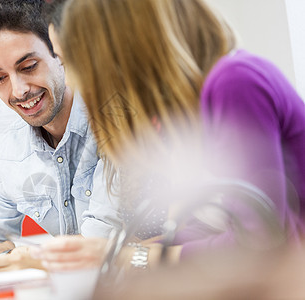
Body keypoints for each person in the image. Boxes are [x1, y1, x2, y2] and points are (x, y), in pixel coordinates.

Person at [33, 0, 305, 272]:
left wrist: (129, 257)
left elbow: (258, 241)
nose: (69, 81)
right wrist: (115, 252)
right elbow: (210, 227)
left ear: (111, 52)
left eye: (69, 62)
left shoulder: (234, 83)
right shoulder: (181, 113)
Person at [0, 0, 122, 277]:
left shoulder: (118, 124)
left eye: (29, 66)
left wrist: (29, 258)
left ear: (60, 53)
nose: (19, 90)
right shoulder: (14, 150)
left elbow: (98, 243)